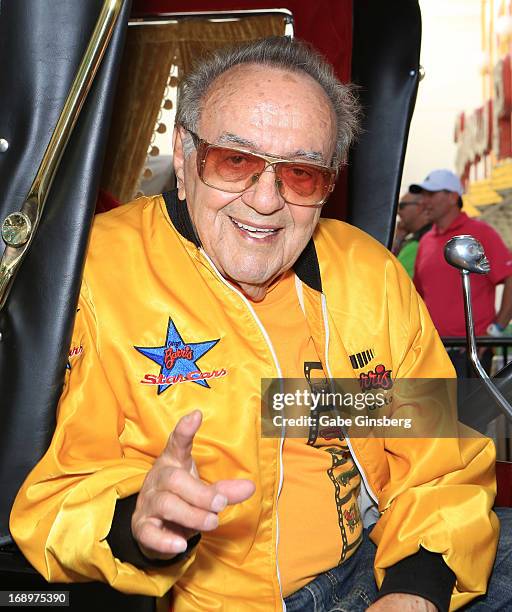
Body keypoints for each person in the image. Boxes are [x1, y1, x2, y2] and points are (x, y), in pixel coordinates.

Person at [9, 38, 509, 612]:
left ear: (328, 183)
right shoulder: (94, 274)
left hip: (372, 568)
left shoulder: (367, 274)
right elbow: (53, 499)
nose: (266, 200)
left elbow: (437, 459)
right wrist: (137, 522)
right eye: (236, 161)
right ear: (184, 153)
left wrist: (415, 589)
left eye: (300, 173)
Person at [412, 169, 512, 376]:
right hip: (432, 352)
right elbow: (418, 297)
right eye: (423, 195)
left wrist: (495, 330)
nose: (424, 201)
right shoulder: (425, 241)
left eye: (431, 194)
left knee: (469, 410)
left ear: (452, 197)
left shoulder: (482, 232)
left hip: (470, 353)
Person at [392, 192, 431, 277]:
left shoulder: (419, 245)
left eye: (402, 206)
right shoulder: (417, 241)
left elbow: (390, 277)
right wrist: (399, 237)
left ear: (420, 207)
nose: (398, 211)